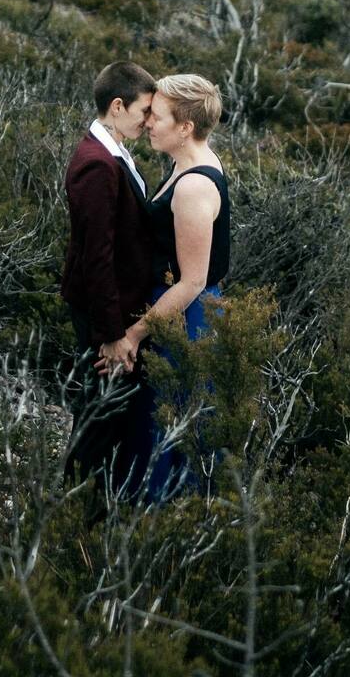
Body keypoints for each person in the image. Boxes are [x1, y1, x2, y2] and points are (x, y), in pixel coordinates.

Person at [100, 74, 230, 500]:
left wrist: (133, 336)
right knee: (155, 424)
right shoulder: (185, 163)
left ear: (185, 127)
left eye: (157, 116)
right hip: (176, 314)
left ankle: (158, 531)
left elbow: (193, 280)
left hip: (186, 320)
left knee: (168, 426)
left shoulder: (194, 186)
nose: (148, 123)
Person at [61, 61, 156, 499]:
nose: (148, 120)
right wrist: (113, 336)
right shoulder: (97, 165)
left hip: (114, 308)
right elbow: (95, 257)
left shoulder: (112, 149)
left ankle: (87, 505)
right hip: (106, 317)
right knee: (102, 415)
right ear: (117, 106)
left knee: (106, 412)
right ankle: (76, 511)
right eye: (143, 111)